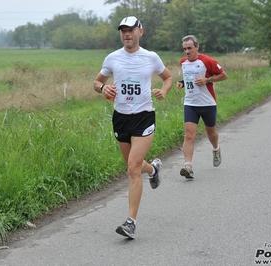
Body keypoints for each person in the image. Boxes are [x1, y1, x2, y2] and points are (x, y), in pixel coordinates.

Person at [93, 16, 173, 239]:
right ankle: (154, 169)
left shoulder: (151, 57)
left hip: (143, 117)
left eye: (131, 30)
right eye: (123, 30)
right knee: (134, 167)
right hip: (121, 117)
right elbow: (96, 82)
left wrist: (164, 91)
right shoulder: (112, 58)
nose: (127, 34)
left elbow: (167, 77)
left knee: (132, 168)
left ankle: (130, 222)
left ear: (141, 32)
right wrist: (103, 89)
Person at [176, 35, 227, 179]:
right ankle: (188, 166)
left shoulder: (208, 61)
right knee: (189, 134)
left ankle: (216, 149)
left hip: (208, 103)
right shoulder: (183, 62)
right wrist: (183, 82)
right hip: (190, 103)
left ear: (197, 47)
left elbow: (224, 75)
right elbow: (190, 78)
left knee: (211, 133)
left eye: (190, 48)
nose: (187, 51)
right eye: (185, 49)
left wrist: (207, 80)